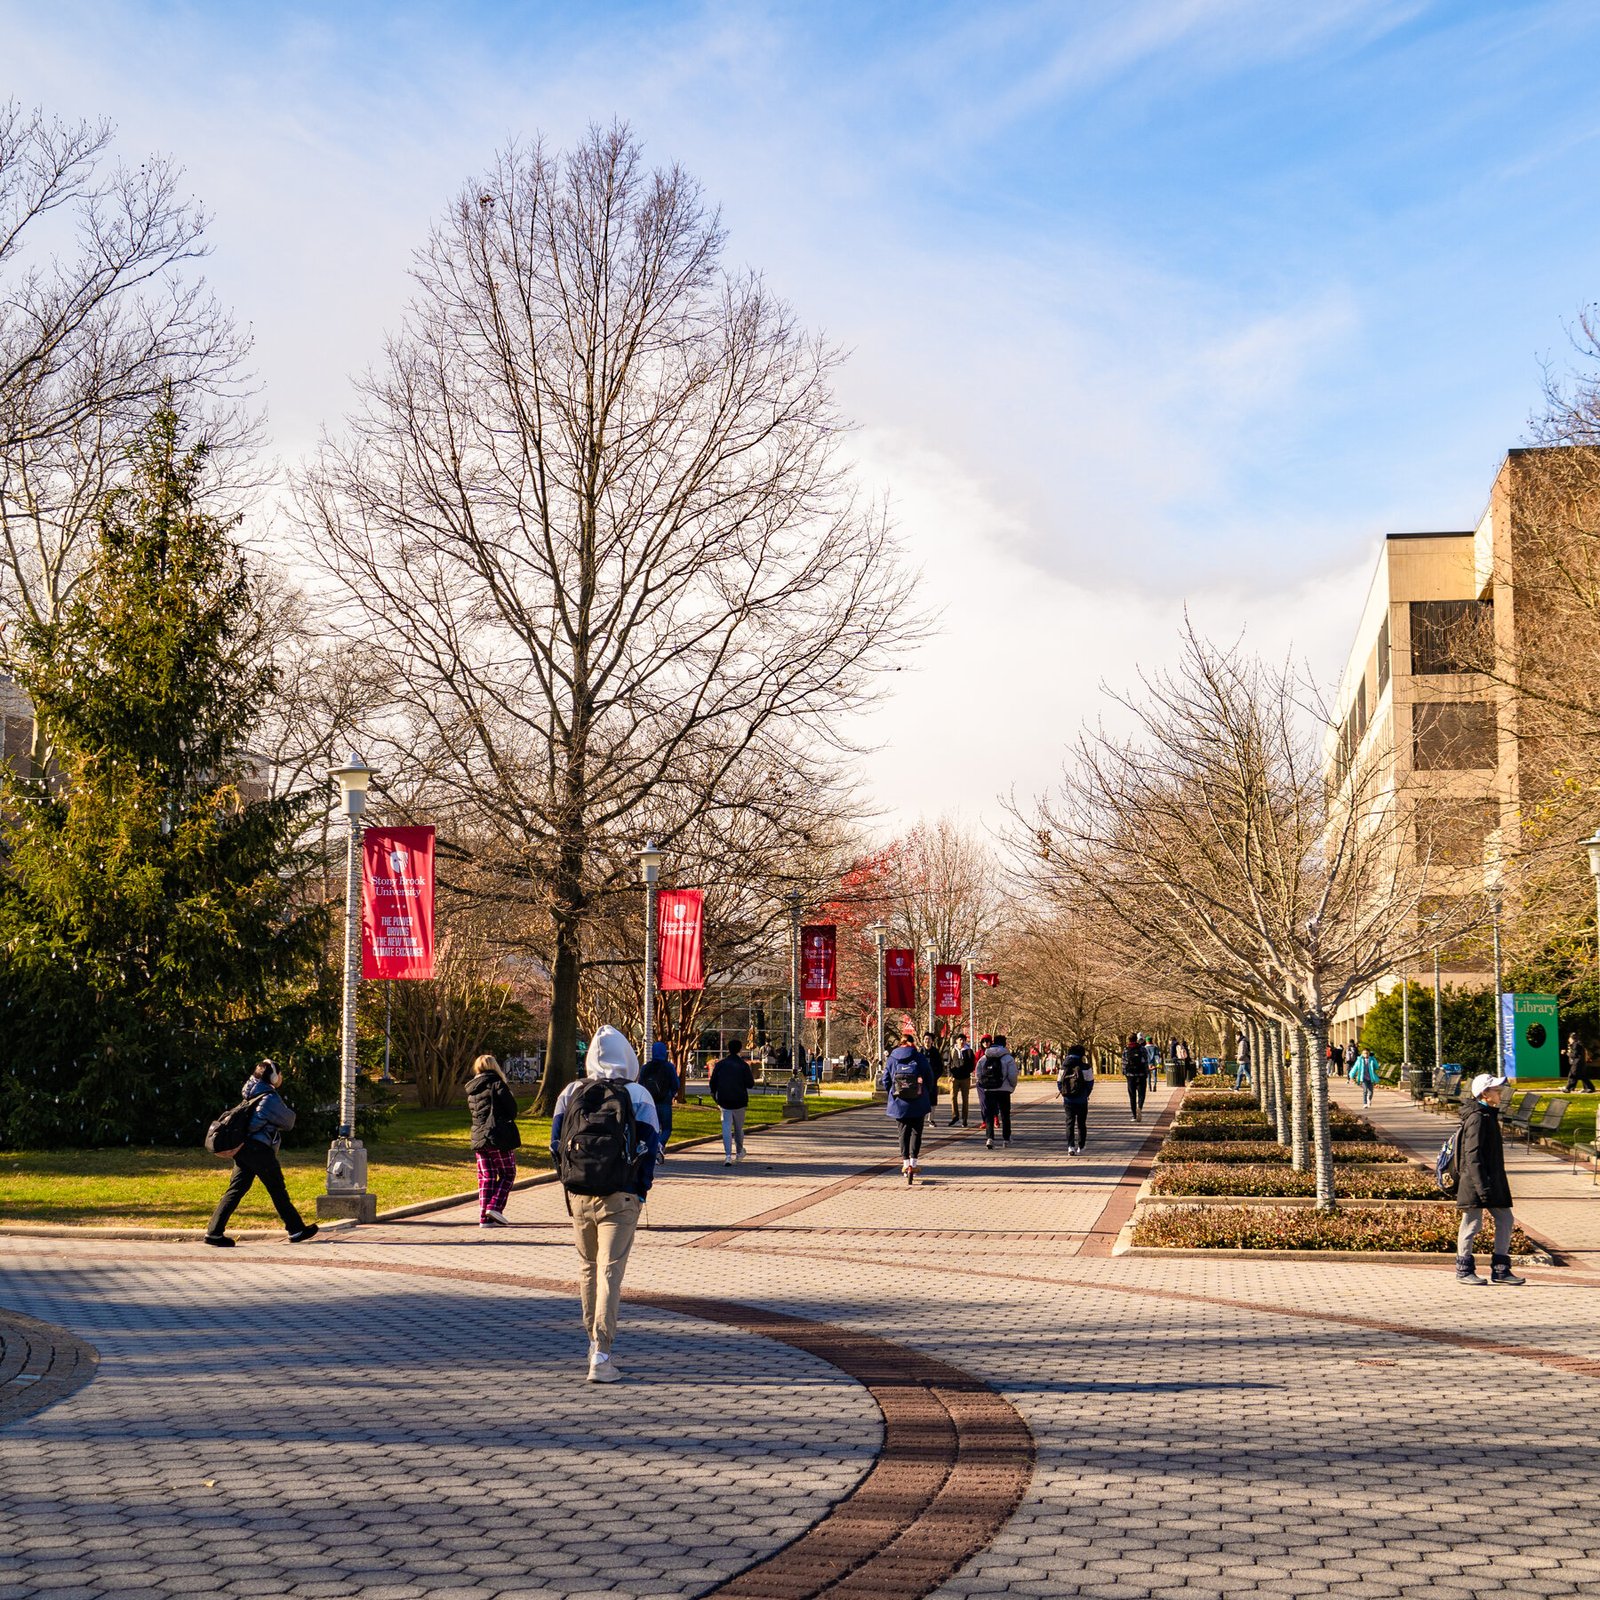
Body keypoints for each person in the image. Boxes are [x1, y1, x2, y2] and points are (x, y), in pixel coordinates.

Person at [550, 1024, 661, 1381]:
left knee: (587, 1270)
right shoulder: (639, 1095)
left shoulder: (570, 1092)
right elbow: (651, 1149)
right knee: (611, 1272)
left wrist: (571, 1181)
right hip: (622, 1195)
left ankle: (591, 1342)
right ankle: (602, 1353)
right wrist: (640, 1192)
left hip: (579, 1195)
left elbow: (555, 1144)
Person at [205, 1060, 319, 1247]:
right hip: (259, 1150)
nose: (281, 1077)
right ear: (273, 1077)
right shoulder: (269, 1097)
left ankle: (214, 1232)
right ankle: (296, 1229)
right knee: (277, 1189)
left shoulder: (250, 1092)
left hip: (243, 1149)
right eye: (279, 1074)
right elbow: (289, 1122)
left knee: (235, 1190)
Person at [1455, 1072, 1524, 1286]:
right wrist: (1482, 1186)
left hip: (1490, 1181)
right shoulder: (1477, 1118)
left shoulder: (1488, 1115)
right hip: (1476, 1182)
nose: (1500, 1093)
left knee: (1505, 1219)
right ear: (1484, 1094)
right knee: (1472, 1223)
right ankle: (1464, 1270)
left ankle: (1501, 1270)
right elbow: (1472, 1155)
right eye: (1496, 1090)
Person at [466, 1054, 521, 1227]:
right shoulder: (497, 1084)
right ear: (495, 1066)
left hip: (478, 1136)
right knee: (508, 1173)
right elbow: (512, 1110)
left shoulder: (472, 1089)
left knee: (486, 1177)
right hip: (498, 1135)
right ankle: (494, 1207)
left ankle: (485, 1218)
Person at [882, 1029, 933, 1183]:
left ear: (900, 1044)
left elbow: (885, 1080)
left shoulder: (892, 1058)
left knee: (903, 1132)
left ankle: (905, 1165)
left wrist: (893, 1093)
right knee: (917, 1132)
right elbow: (929, 1078)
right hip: (918, 1102)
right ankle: (914, 1164)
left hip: (899, 1103)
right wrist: (924, 1092)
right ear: (912, 1043)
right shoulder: (919, 1057)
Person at [709, 1037, 756, 1165]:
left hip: (724, 1099)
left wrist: (714, 1094)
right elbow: (750, 1084)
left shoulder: (720, 1065)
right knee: (739, 1128)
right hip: (739, 1100)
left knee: (726, 1126)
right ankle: (739, 1151)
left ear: (728, 1049)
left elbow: (713, 1082)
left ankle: (728, 1155)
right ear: (740, 1049)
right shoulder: (743, 1065)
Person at [977, 1033, 1019, 1148]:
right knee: (1005, 1114)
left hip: (989, 1089)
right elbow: (1012, 1075)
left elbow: (978, 1072)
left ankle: (990, 1138)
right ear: (1004, 1044)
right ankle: (1006, 1139)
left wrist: (984, 1083)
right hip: (1004, 1090)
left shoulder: (985, 1057)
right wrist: (1012, 1086)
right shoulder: (1008, 1058)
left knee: (989, 1114)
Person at [640, 1041, 680, 1159]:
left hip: (650, 1103)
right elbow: (675, 1084)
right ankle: (660, 1144)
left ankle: (653, 1148)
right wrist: (671, 1094)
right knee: (667, 1128)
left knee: (653, 1128)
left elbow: (641, 1084)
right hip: (665, 1102)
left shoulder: (646, 1068)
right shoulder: (669, 1067)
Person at [1057, 1042, 1094, 1154]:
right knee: (1081, 1123)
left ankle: (1070, 1146)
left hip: (1068, 1100)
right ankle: (1081, 1146)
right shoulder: (1086, 1067)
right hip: (1082, 1100)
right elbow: (1090, 1083)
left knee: (1070, 1122)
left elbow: (1059, 1083)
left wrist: (1064, 1093)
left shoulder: (1064, 1067)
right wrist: (1085, 1094)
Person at [946, 1031, 976, 1126]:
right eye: (960, 1039)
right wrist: (950, 1075)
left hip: (965, 1078)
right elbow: (949, 1064)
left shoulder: (969, 1051)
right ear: (956, 1041)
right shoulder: (952, 1050)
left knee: (965, 1098)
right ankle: (955, 1116)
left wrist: (968, 1071)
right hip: (954, 1078)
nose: (962, 1041)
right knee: (953, 1097)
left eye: (963, 1040)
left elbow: (972, 1064)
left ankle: (964, 1118)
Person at [1122, 1033, 1149, 1122]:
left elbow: (1124, 1063)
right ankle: (1140, 1107)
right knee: (1141, 1094)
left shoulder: (1126, 1050)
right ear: (1136, 1039)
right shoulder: (1142, 1049)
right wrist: (1146, 1072)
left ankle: (1134, 1115)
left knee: (1132, 1096)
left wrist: (1125, 1073)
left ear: (1128, 1040)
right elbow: (1146, 1061)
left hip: (1130, 1075)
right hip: (1141, 1074)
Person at [922, 1030, 945, 1118]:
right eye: (925, 1039)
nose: (927, 1041)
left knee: (933, 1099)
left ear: (932, 1041)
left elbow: (940, 1067)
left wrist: (935, 1077)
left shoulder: (935, 1052)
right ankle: (921, 1117)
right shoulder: (920, 1051)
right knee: (922, 1098)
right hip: (922, 1080)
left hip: (932, 1080)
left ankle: (931, 1118)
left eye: (929, 1039)